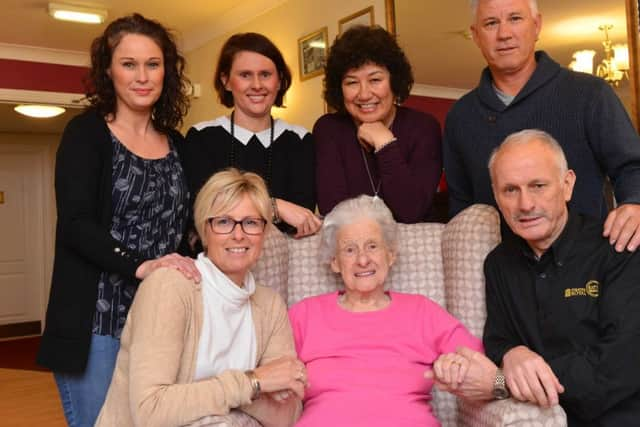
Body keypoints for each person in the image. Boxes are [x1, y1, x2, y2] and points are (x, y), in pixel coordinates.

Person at [36, 14, 200, 427]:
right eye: (129, 64)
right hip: (97, 322)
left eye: (153, 64)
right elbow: (75, 224)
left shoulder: (177, 143)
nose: (142, 76)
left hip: (161, 319)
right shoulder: (86, 134)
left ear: (167, 71)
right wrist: (140, 264)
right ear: (108, 71)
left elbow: (185, 228)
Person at [432, 130, 640, 426]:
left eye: (538, 186)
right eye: (510, 190)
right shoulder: (498, 264)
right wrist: (511, 353)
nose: (525, 204)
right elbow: (498, 337)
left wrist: (501, 382)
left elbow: (618, 365)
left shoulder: (619, 247)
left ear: (567, 185)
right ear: (495, 195)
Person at [96, 168, 304, 427]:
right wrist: (252, 383)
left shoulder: (270, 305)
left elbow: (286, 414)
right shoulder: (170, 287)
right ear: (205, 231)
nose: (238, 234)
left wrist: (233, 390)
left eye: (251, 222)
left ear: (264, 233)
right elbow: (151, 410)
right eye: (224, 222)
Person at [443, 0, 640, 252]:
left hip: (589, 267)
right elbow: (461, 206)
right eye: (491, 23)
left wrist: (635, 203)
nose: (504, 34)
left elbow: (632, 166)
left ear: (536, 25)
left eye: (515, 18)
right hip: (500, 277)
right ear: (476, 35)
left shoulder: (589, 94)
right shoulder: (460, 116)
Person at [288, 195, 482, 426]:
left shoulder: (422, 312)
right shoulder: (305, 315)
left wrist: (463, 369)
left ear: (391, 254)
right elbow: (269, 374)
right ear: (335, 262)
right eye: (349, 250)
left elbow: (484, 370)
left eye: (372, 246)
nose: (362, 260)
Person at [183, 32, 320, 239]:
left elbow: (300, 217)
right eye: (245, 75)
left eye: (265, 74)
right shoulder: (201, 137)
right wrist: (277, 207)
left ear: (280, 81)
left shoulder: (300, 140)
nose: (257, 85)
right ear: (226, 81)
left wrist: (235, 208)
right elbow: (205, 210)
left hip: (285, 263)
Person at [314, 25, 442, 224]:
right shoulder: (329, 129)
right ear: (339, 88)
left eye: (375, 79)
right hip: (352, 249)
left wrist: (385, 144)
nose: (364, 94)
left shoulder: (424, 128)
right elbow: (333, 211)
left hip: (414, 248)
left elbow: (411, 211)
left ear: (394, 81)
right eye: (351, 82)